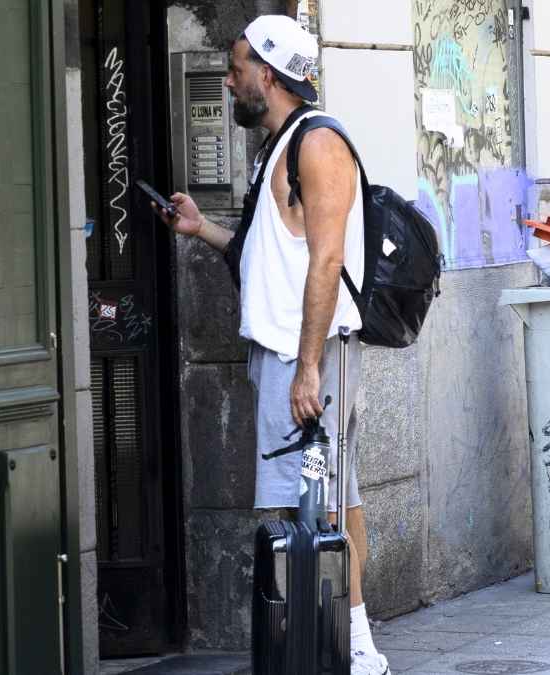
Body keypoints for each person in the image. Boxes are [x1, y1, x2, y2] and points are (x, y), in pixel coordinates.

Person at [152, 15, 389, 675]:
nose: (228, 80)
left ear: (267, 72)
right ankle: (339, 632)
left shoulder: (317, 144)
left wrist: (308, 367)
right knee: (327, 492)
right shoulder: (279, 144)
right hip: (289, 352)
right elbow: (272, 256)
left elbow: (326, 258)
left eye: (234, 69)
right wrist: (201, 230)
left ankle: (358, 642)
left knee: (328, 495)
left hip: (309, 353)